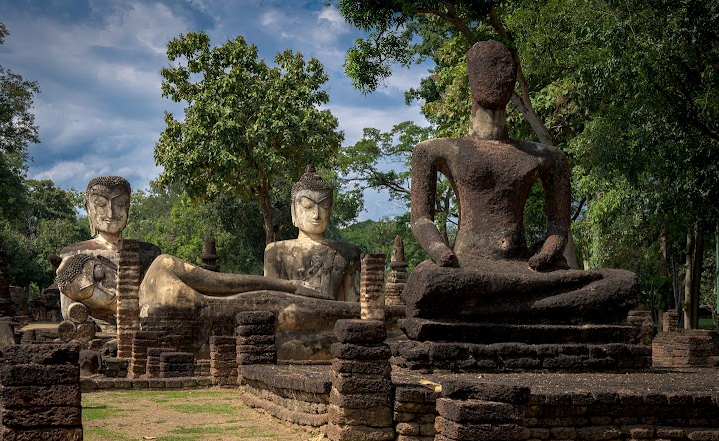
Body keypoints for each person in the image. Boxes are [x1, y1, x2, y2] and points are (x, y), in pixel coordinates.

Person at [406, 40, 638, 323]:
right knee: (429, 281)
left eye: (505, 69)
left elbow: (559, 226)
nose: (498, 77)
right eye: (487, 68)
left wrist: (548, 252)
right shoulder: (435, 151)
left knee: (620, 282)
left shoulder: (547, 157)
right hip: (465, 267)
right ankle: (517, 306)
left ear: (514, 78)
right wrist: (439, 251)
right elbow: (421, 219)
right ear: (471, 77)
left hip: (525, 269)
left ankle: (500, 305)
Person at [57, 176, 160, 323]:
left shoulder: (149, 252)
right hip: (93, 326)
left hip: (140, 324)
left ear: (128, 207)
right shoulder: (73, 253)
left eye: (120, 204)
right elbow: (69, 309)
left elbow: (154, 299)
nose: (111, 213)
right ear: (88, 209)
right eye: (100, 204)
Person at [264, 165, 361, 301]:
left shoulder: (347, 253)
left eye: (324, 206)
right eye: (308, 206)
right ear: (293, 211)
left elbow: (354, 305)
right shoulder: (276, 252)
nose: (316, 214)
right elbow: (273, 302)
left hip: (335, 314)